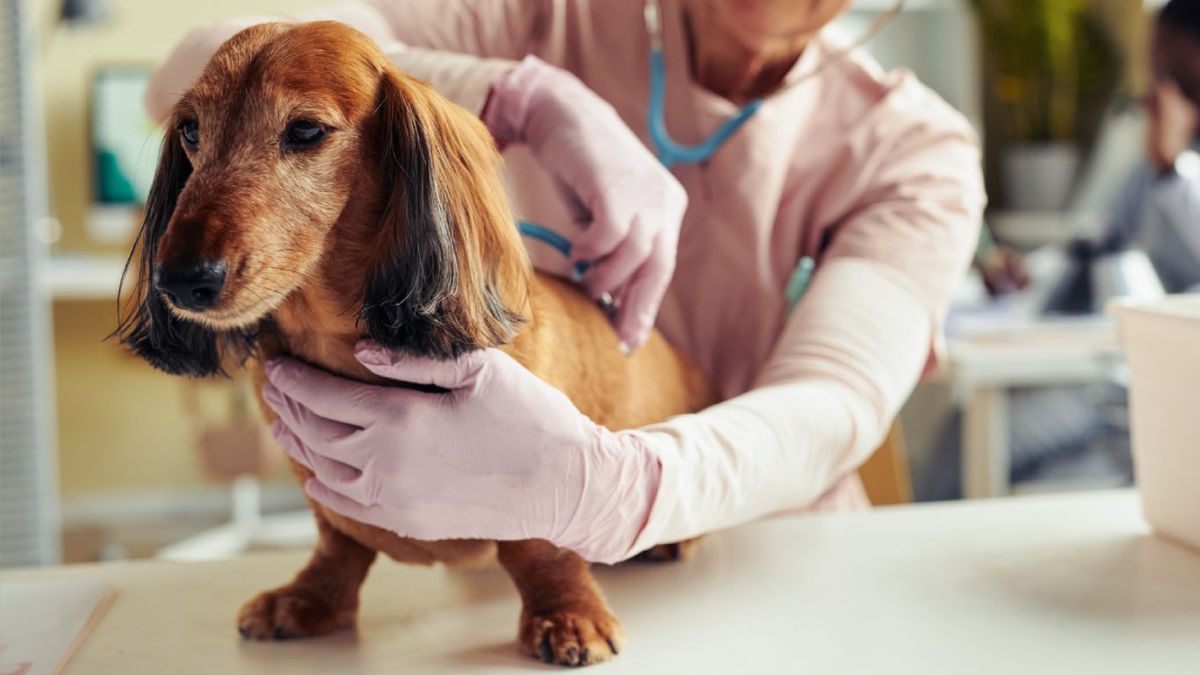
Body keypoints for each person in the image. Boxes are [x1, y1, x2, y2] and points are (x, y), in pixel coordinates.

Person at [147, 0, 984, 564]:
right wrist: (521, 98)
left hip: (762, 558)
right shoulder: (550, 15)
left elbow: (835, 404)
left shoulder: (914, 150)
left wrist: (610, 489)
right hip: (498, 571)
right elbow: (204, 54)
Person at [1077, 0, 1200, 294]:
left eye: (1163, 43)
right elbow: (1103, 228)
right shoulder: (1143, 137)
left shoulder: (1170, 160)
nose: (1152, 60)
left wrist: (1171, 169)